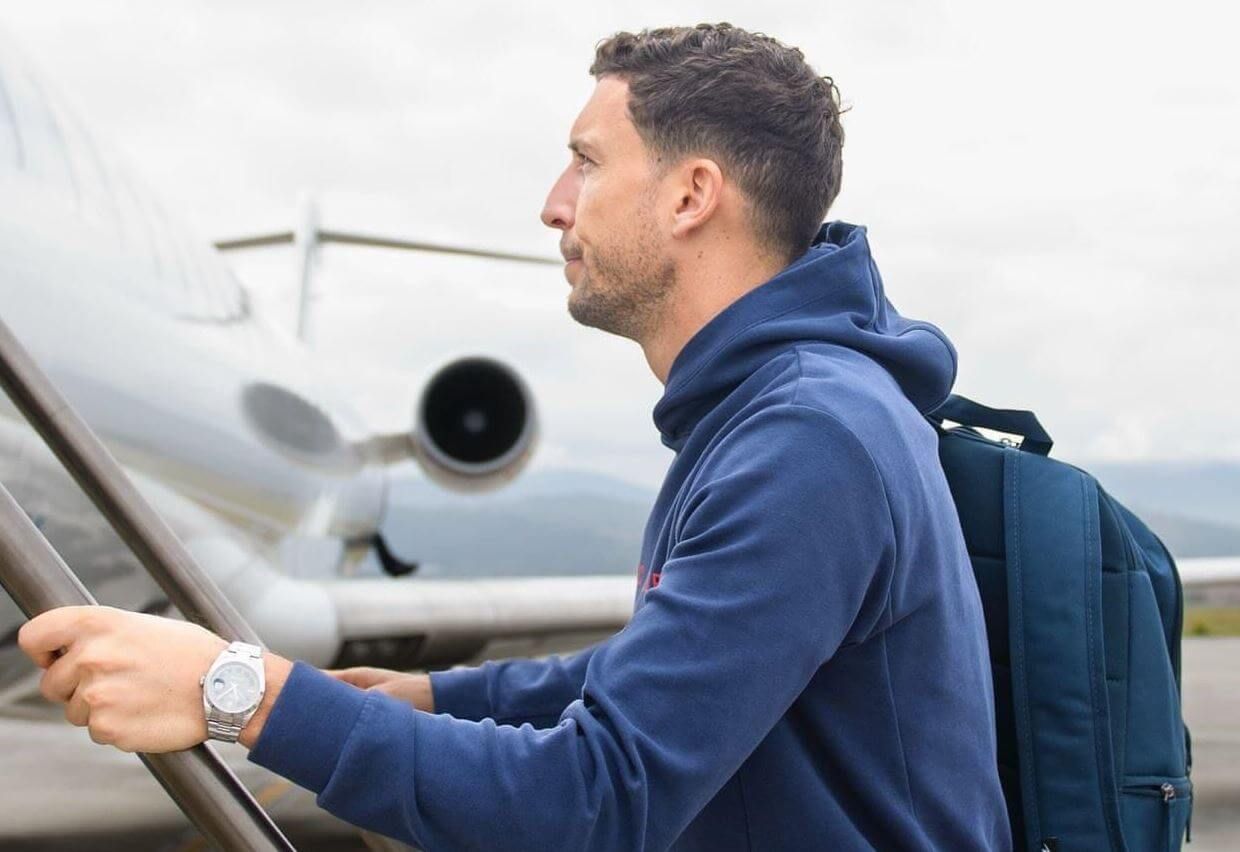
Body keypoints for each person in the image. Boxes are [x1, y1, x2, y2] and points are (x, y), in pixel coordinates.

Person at [18, 23, 1011, 851]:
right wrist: (435, 694)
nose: (554, 203)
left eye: (586, 160)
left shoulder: (804, 437)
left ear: (690, 195)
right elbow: (664, 683)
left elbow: (596, 798)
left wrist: (237, 693)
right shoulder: (788, 411)